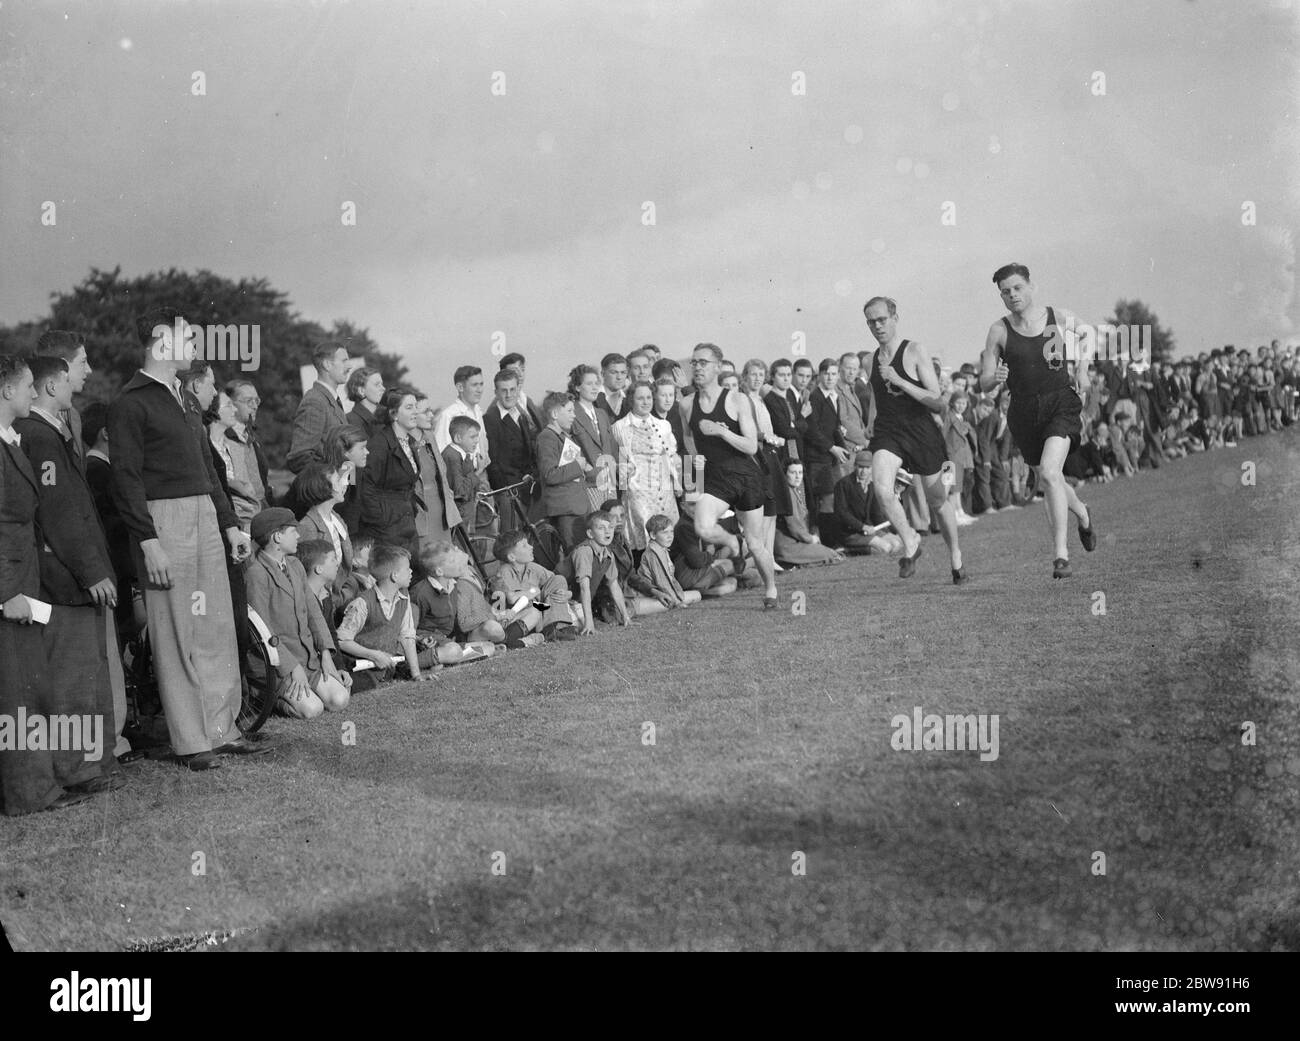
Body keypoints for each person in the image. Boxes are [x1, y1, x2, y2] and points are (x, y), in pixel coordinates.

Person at [107, 310, 268, 770]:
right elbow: (125, 480)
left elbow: (208, 472)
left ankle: (221, 730)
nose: (195, 347)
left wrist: (231, 525)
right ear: (162, 341)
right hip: (164, 522)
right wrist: (148, 540)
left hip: (203, 514)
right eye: (186, 339)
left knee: (215, 624)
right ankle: (191, 740)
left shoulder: (188, 400)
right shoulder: (130, 403)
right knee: (177, 630)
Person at [14, 355, 125, 796]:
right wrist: (92, 571)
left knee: (87, 675)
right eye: (73, 372)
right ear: (52, 385)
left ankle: (91, 764)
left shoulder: (49, 432)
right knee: (71, 678)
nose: (85, 376)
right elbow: (60, 513)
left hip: (72, 576)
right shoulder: (39, 436)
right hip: (64, 580)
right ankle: (74, 769)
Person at [1, 354, 98, 814]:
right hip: (12, 588)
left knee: (28, 689)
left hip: (24, 582)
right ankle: (29, 792)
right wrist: (5, 593)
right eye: (24, 388)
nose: (29, 394)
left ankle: (37, 788)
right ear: (7, 391)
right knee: (17, 693)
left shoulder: (11, 441)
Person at [978, 264, 1096, 578]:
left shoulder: (1057, 317)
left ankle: (1061, 555)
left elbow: (1090, 333)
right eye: (1005, 291)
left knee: (1048, 471)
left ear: (1031, 286)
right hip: (1023, 411)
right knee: (1049, 478)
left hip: (1060, 401)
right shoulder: (999, 330)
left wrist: (1083, 368)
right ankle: (1082, 513)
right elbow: (984, 381)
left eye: (1017, 288)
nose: (1012, 295)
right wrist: (995, 378)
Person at [863, 296, 967, 583]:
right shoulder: (868, 359)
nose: (877, 326)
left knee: (938, 501)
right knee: (882, 488)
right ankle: (910, 540)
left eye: (882, 319)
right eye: (871, 321)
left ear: (895, 318)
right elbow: (874, 393)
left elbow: (938, 402)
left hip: (921, 430)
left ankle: (955, 555)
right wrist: (871, 421)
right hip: (888, 431)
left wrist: (900, 381)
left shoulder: (915, 350)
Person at [679, 343, 781, 608]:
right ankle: (731, 542)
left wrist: (722, 432)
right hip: (716, 480)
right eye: (695, 363)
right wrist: (696, 481)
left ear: (717, 367)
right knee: (702, 526)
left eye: (703, 362)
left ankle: (770, 590)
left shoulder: (737, 400)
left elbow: (751, 445)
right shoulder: (687, 404)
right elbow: (689, 442)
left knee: (756, 543)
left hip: (746, 476)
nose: (698, 367)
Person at [243, 508, 351, 719]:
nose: (299, 536)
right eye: (293, 532)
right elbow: (262, 629)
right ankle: (267, 697)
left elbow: (314, 613)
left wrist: (326, 655)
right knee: (312, 709)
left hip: (308, 659)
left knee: (339, 699)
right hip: (275, 664)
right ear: (277, 536)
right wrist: (291, 667)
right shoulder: (256, 573)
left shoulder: (295, 565)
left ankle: (302, 691)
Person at [336, 543, 436, 686]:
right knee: (365, 685)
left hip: (385, 668)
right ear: (394, 576)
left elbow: (407, 637)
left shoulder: (403, 597)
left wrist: (417, 675)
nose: (411, 572)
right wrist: (373, 655)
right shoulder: (362, 603)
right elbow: (342, 641)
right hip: (359, 668)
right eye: (407, 569)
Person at [612, 380, 680, 551]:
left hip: (663, 488)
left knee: (666, 530)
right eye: (640, 398)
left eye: (649, 397)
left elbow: (671, 456)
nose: (646, 402)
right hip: (637, 489)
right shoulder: (619, 427)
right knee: (643, 530)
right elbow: (615, 457)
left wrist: (677, 481)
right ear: (631, 400)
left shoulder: (663, 425)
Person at [359, 390, 424, 562]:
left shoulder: (408, 442)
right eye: (409, 407)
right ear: (393, 413)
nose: (415, 412)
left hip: (406, 522)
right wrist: (382, 521)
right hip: (387, 529)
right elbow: (366, 488)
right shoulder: (378, 444)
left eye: (416, 407)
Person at [411, 541, 512, 650]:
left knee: (487, 647)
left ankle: (469, 649)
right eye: (452, 561)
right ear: (440, 571)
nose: (458, 563)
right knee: (454, 652)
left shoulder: (452, 585)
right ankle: (465, 650)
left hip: (450, 637)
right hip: (429, 639)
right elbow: (410, 627)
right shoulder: (420, 593)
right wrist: (422, 641)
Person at [741, 359, 792, 572]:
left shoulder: (761, 399)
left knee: (772, 511)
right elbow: (748, 431)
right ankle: (761, 559)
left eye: (760, 375)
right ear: (745, 377)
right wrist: (769, 438)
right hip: (757, 456)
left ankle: (769, 557)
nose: (757, 379)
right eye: (753, 374)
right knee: (761, 513)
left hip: (769, 455)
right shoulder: (743, 400)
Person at [488, 530, 581, 642]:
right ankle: (552, 629)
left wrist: (568, 594)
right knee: (535, 607)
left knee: (558, 579)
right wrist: (533, 591)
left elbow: (554, 581)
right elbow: (511, 598)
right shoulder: (504, 572)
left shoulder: (532, 567)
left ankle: (556, 626)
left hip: (538, 609)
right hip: (517, 616)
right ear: (512, 557)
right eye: (524, 546)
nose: (531, 547)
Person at [800, 358, 851, 544]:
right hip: (817, 457)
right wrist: (832, 448)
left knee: (834, 497)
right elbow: (811, 430)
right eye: (826, 374)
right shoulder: (815, 397)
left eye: (833, 374)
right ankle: (829, 543)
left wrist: (840, 437)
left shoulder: (833, 396)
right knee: (826, 499)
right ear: (820, 375)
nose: (830, 377)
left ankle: (832, 540)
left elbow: (832, 426)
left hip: (829, 457)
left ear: (838, 376)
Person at [560, 510, 632, 634]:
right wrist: (589, 623)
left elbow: (614, 585)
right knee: (572, 627)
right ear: (590, 533)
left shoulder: (608, 553)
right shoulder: (584, 551)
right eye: (601, 528)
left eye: (610, 527)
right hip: (562, 599)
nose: (607, 531)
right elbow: (584, 588)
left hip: (576, 602)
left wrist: (626, 617)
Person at [536, 391, 593, 549]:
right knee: (576, 554)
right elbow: (550, 475)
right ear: (554, 414)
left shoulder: (564, 436)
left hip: (577, 507)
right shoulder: (547, 437)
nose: (573, 415)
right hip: (566, 510)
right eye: (569, 411)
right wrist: (578, 466)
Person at [294, 462, 356, 600]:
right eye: (337, 481)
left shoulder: (337, 519)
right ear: (324, 487)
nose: (344, 484)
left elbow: (345, 567)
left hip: (338, 596)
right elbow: (304, 573)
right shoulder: (307, 526)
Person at [287, 341, 350, 473]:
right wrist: (329, 484)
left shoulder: (331, 400)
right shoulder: (315, 401)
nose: (349, 366)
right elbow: (299, 458)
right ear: (327, 365)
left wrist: (350, 487)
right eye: (344, 361)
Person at [483, 367, 538, 518]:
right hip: (509, 494)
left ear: (518, 389)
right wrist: (505, 493)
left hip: (526, 489)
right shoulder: (490, 419)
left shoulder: (521, 416)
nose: (509, 395)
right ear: (496, 392)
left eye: (512, 390)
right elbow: (492, 463)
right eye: (504, 390)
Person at [411, 394, 463, 554]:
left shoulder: (429, 436)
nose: (431, 415)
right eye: (425, 411)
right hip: (421, 514)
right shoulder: (403, 443)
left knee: (445, 557)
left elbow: (440, 474)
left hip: (441, 510)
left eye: (431, 410)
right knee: (428, 558)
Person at [34, 329, 93, 466]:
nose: (89, 370)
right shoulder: (27, 419)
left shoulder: (73, 416)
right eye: (83, 362)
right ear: (62, 366)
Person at [774, 461, 844, 567]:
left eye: (800, 473)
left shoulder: (792, 491)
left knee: (832, 554)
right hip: (788, 546)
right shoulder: (787, 493)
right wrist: (811, 539)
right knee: (835, 556)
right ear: (785, 474)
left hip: (790, 544)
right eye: (793, 473)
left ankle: (796, 563)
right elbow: (794, 526)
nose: (798, 477)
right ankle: (792, 564)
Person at [833, 451, 903, 555]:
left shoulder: (872, 485)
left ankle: (868, 546)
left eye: (867, 468)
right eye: (860, 467)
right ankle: (847, 550)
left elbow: (876, 515)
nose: (864, 471)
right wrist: (862, 527)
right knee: (886, 548)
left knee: (897, 543)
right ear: (854, 466)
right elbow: (842, 513)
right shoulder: (843, 484)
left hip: (870, 530)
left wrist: (891, 528)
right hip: (850, 533)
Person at [568, 364, 618, 508]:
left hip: (609, 482)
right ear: (577, 387)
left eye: (597, 383)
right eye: (589, 384)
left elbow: (611, 445)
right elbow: (569, 448)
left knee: (612, 524)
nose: (595, 387)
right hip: (589, 484)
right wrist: (588, 469)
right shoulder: (571, 413)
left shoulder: (601, 414)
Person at [433, 365, 491, 473]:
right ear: (460, 387)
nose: (480, 390)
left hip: (482, 474)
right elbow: (440, 457)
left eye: (481, 384)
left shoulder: (478, 411)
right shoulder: (449, 415)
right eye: (474, 385)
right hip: (461, 479)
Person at [637, 514, 702, 608]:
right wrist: (676, 602)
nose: (670, 536)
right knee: (695, 596)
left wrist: (678, 595)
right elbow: (662, 580)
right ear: (653, 535)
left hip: (662, 592)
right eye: (665, 532)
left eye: (671, 532)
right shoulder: (654, 553)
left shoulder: (662, 548)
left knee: (696, 595)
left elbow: (670, 578)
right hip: (651, 595)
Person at [441, 415, 492, 534]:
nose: (476, 440)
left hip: (465, 514)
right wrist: (479, 471)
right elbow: (460, 491)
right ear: (458, 438)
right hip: (459, 516)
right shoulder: (452, 456)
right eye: (472, 437)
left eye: (477, 436)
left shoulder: (464, 454)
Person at [322, 424, 370, 535]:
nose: (367, 452)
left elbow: (351, 506)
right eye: (362, 448)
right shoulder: (324, 480)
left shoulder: (349, 470)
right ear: (345, 452)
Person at [498, 353, 546, 432]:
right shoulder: (499, 404)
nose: (520, 375)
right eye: (514, 371)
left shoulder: (527, 401)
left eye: (522, 370)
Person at [345, 366, 387, 442]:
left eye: (382, 384)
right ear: (361, 391)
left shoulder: (386, 417)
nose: (383, 388)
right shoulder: (350, 421)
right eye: (377, 385)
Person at [597, 352, 632, 420]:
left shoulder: (629, 400)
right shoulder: (593, 398)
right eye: (614, 372)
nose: (619, 377)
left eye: (623, 372)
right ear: (603, 374)